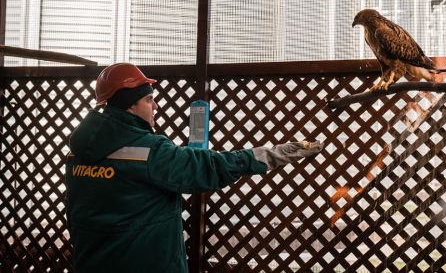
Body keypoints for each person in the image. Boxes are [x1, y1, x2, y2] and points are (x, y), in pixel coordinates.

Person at [65, 62, 323, 273]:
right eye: (148, 100)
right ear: (131, 104)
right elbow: (209, 167)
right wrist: (273, 154)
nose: (155, 106)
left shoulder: (78, 152)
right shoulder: (148, 152)